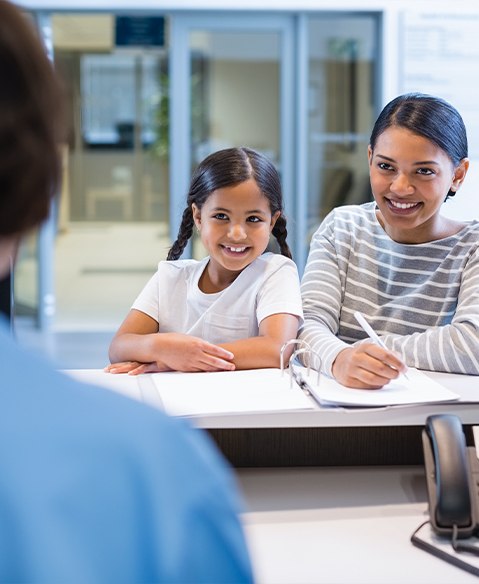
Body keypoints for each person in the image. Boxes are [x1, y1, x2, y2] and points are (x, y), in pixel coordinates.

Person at [0, 1, 253, 581]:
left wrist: (164, 349)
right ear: (37, 189)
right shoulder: (150, 472)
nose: (237, 233)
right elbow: (124, 345)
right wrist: (163, 349)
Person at [300, 92, 479, 389]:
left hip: (427, 423)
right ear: (370, 159)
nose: (401, 187)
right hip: (334, 418)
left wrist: (366, 353)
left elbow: (473, 346)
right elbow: (306, 325)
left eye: (424, 171)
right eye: (386, 167)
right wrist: (339, 359)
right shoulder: (341, 228)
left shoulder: (472, 247)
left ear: (457, 175)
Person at [106, 147, 303, 374]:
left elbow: (275, 348)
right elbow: (119, 347)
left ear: (271, 222)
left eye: (253, 219)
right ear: (198, 217)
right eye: (221, 216)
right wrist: (165, 349)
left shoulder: (276, 272)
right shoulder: (170, 278)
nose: (237, 233)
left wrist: (184, 360)